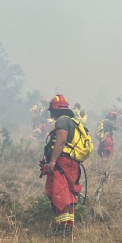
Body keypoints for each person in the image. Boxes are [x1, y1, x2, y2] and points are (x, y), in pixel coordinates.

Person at [39, 94, 85, 232]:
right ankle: (67, 225)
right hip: (70, 163)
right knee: (67, 193)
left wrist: (52, 161)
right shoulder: (71, 121)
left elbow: (61, 141)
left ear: (54, 109)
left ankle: (63, 227)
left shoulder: (62, 122)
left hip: (62, 163)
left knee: (60, 193)